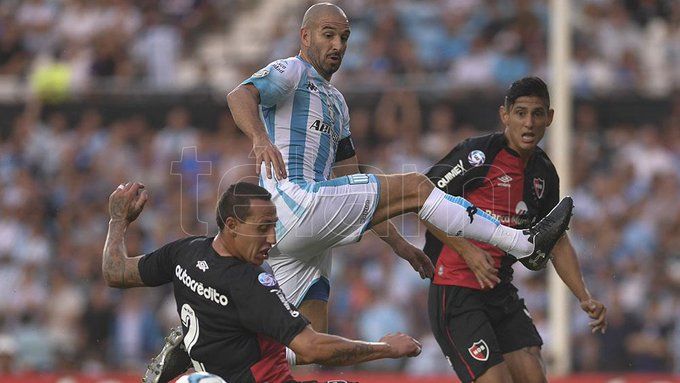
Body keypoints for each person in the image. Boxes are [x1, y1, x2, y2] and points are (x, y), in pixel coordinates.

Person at [225, 2, 572, 336]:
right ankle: (525, 244)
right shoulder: (293, 70)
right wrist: (259, 138)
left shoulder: (337, 104)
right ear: (305, 36)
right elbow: (239, 95)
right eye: (327, 35)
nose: (337, 45)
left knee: (308, 343)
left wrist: (400, 246)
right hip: (291, 202)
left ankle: (206, 350)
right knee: (417, 187)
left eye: (344, 38)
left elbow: (349, 182)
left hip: (299, 230)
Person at [103, 181, 422, 383]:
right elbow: (311, 349)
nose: (272, 238)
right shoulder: (252, 283)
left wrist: (119, 220)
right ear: (232, 225)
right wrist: (386, 349)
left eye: (274, 226)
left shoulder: (184, 252)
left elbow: (115, 273)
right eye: (262, 228)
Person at [424, 77, 608, 383]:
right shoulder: (476, 155)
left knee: (534, 375)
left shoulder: (544, 172)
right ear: (504, 115)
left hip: (500, 291)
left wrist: (583, 296)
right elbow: (422, 200)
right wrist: (467, 251)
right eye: (521, 113)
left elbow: (556, 239)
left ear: (549, 117)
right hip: (455, 290)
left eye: (537, 114)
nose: (529, 122)